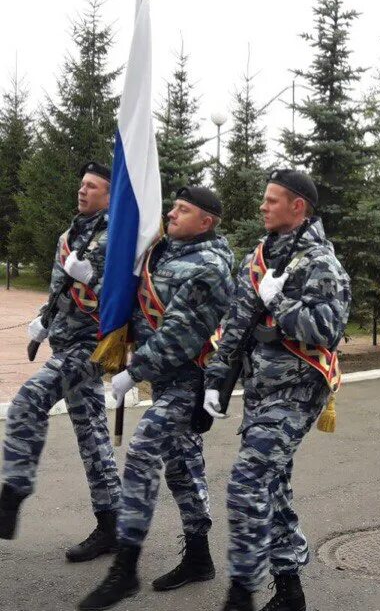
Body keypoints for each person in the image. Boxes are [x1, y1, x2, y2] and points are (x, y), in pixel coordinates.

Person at [78, 187, 235, 610]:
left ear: (207, 222)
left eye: (183, 210)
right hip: (163, 381)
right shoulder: (163, 251)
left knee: (144, 452)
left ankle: (124, 569)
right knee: (182, 467)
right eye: (173, 207)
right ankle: (200, 559)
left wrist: (134, 371)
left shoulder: (210, 266)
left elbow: (181, 336)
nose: (172, 213)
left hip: (189, 379)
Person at [205, 170, 351, 611]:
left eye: (272, 200)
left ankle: (242, 590)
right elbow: (235, 322)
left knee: (248, 481)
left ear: (298, 207)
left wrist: (279, 302)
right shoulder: (261, 257)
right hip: (259, 389)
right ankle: (290, 591)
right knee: (272, 485)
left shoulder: (320, 263)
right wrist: (216, 378)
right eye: (264, 200)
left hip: (298, 391)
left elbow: (328, 328)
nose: (263, 207)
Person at [0, 162, 122, 561]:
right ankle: (111, 525)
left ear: (109, 195)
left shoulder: (117, 239)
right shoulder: (68, 236)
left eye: (92, 186)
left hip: (92, 347)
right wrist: (42, 321)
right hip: (64, 342)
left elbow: (126, 302)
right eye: (81, 184)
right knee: (93, 438)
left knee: (27, 401)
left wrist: (93, 279)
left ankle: (12, 492)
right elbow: (58, 290)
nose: (82, 191)